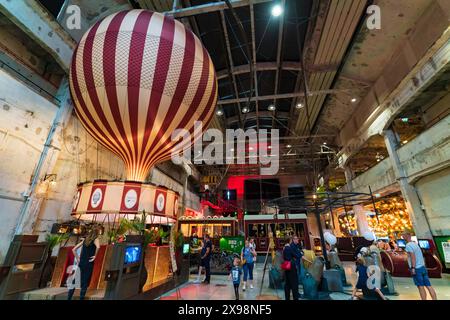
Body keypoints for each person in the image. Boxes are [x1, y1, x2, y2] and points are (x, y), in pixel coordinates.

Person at [402, 232, 437, 300]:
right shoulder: (415, 244)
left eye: (403, 235)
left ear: (407, 235)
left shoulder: (408, 245)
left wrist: (413, 268)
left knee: (420, 286)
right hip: (422, 267)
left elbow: (413, 257)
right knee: (428, 285)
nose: (402, 237)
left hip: (417, 269)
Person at [68, 228, 100, 300]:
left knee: (75, 281)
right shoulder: (96, 239)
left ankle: (68, 298)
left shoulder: (85, 240)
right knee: (85, 282)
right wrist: (95, 256)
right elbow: (98, 247)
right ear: (97, 233)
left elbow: (74, 249)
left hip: (82, 262)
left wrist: (78, 258)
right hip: (89, 263)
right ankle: (81, 298)